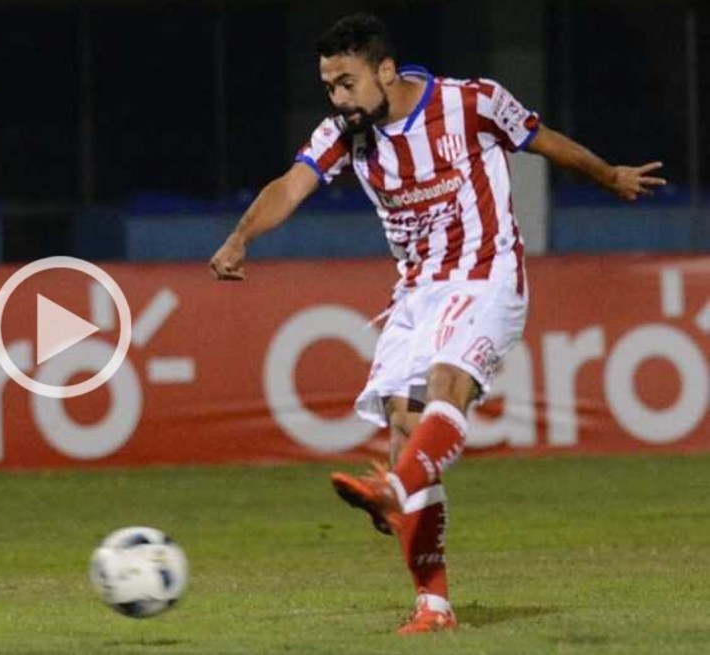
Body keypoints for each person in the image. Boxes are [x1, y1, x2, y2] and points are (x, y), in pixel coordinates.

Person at [209, 13, 665, 634]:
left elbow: (542, 138)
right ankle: (435, 606)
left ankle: (396, 490)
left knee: (448, 385)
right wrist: (240, 239)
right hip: (416, 292)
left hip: (487, 274)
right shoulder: (344, 133)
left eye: (347, 82)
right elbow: (289, 187)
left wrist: (610, 176)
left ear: (385, 70)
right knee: (404, 424)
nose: (338, 98)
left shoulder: (469, 102)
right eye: (329, 86)